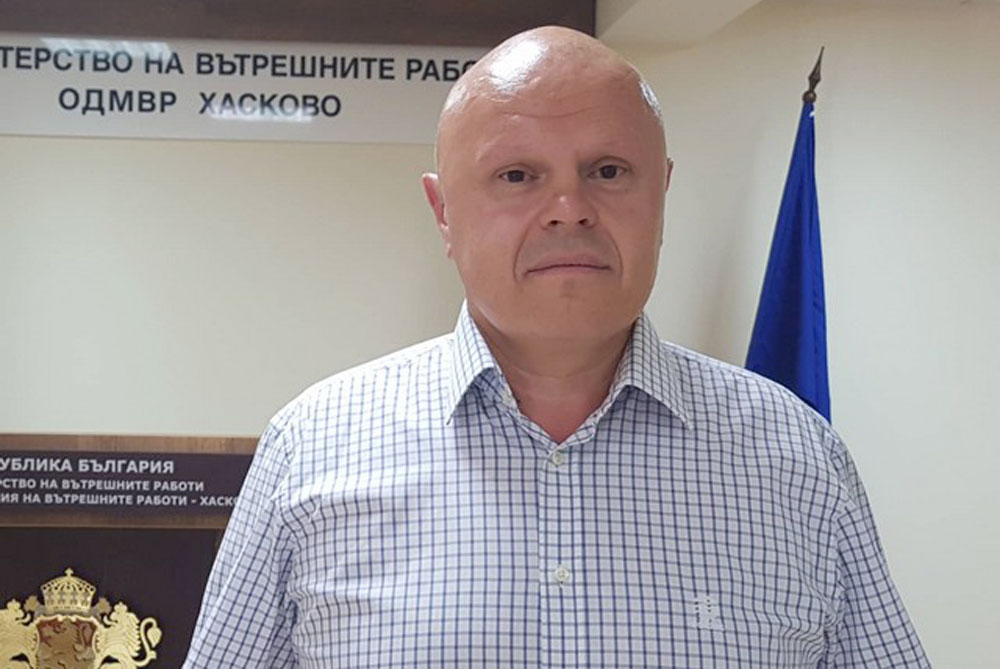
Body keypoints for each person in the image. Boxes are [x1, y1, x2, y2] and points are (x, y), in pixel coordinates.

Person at [183, 26, 929, 668]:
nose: (569, 210)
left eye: (608, 172)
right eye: (517, 175)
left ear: (661, 195)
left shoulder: (800, 460)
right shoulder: (310, 450)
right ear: (443, 213)